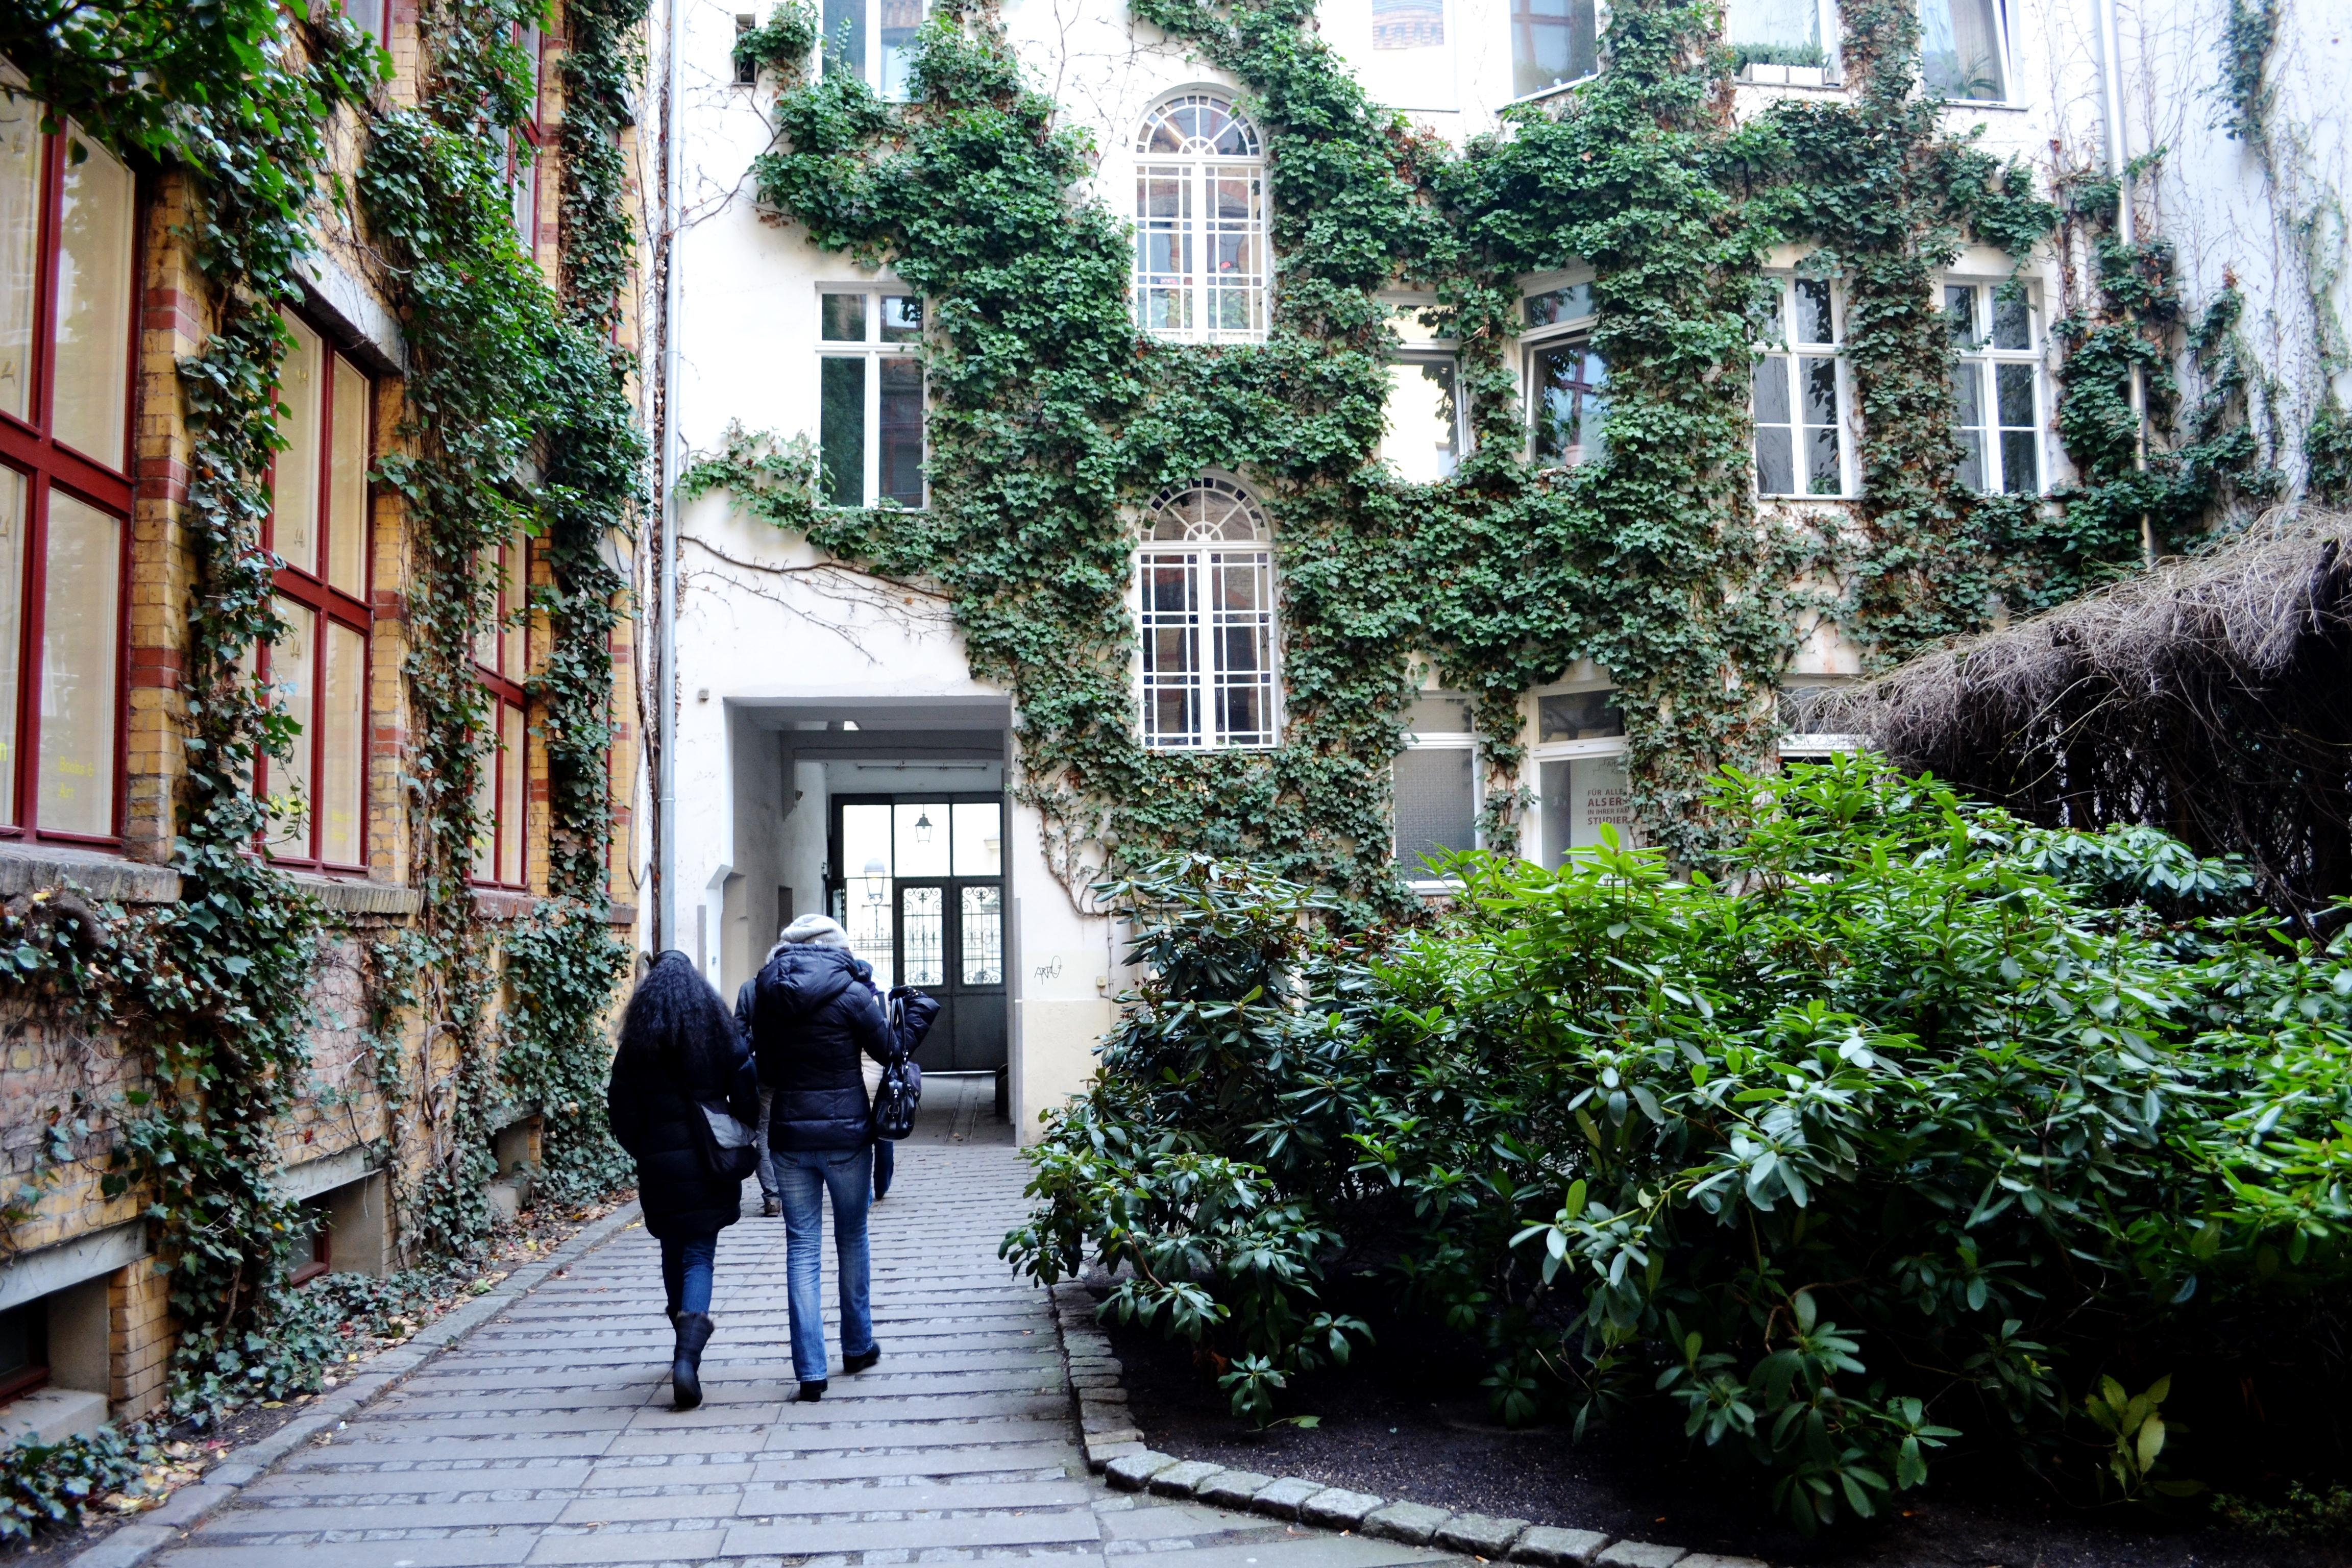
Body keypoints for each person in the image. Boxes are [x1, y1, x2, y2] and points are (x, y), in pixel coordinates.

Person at [745, 914, 893, 1401]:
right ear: (837, 948)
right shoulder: (853, 993)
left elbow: (763, 1066)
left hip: (788, 1136)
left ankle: (810, 1372)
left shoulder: (768, 995)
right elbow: (889, 1050)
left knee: (802, 1248)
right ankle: (857, 1346)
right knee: (852, 1236)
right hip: (847, 1134)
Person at [607, 950, 760, 1410]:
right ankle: (686, 1359)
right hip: (708, 1162)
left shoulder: (637, 1043)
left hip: (659, 1164)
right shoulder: (715, 1031)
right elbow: (746, 1082)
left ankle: (681, 1344)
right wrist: (739, 1126)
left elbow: (620, 1108)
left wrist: (645, 1148)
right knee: (699, 1255)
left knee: (671, 1248)